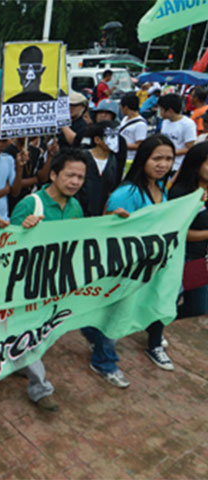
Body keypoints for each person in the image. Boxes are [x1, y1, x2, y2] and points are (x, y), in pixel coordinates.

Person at [92, 135, 176, 382]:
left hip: (147, 266)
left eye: (169, 159)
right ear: (143, 160)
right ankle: (103, 362)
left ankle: (91, 333)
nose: (163, 164)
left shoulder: (161, 188)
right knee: (116, 316)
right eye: (157, 158)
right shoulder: (127, 193)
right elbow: (109, 230)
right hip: (125, 268)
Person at [9, 148, 89, 411]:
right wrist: (24, 231)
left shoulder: (75, 206)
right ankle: (40, 388)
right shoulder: (30, 205)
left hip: (57, 284)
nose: (75, 182)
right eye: (70, 175)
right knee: (31, 331)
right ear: (53, 175)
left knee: (39, 333)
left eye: (80, 177)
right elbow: (7, 246)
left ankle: (17, 360)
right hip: (28, 286)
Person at [169, 142, 208, 318]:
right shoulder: (181, 193)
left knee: (197, 307)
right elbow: (179, 232)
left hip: (199, 259)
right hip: (182, 258)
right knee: (169, 302)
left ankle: (155, 322)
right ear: (196, 164)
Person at [74, 122, 122, 218]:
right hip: (79, 212)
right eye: (110, 137)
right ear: (97, 140)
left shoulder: (113, 160)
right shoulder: (81, 157)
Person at [158, 93, 196, 173]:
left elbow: (189, 148)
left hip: (177, 166)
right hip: (163, 162)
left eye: (161, 110)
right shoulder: (165, 122)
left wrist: (170, 153)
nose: (160, 112)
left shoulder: (188, 124)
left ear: (170, 111)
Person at [119, 94, 148, 166]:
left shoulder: (140, 124)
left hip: (130, 159)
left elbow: (139, 145)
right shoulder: (125, 119)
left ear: (125, 107)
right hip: (121, 156)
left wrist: (121, 145)